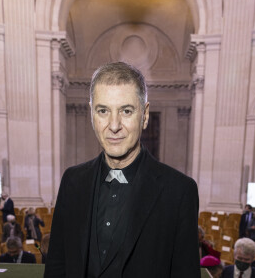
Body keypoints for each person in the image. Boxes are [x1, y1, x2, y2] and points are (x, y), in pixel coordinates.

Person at [44, 62, 200, 277]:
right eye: (103, 111)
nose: (114, 125)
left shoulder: (180, 191)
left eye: (126, 111)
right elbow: (56, 266)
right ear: (91, 114)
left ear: (144, 115)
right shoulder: (72, 181)